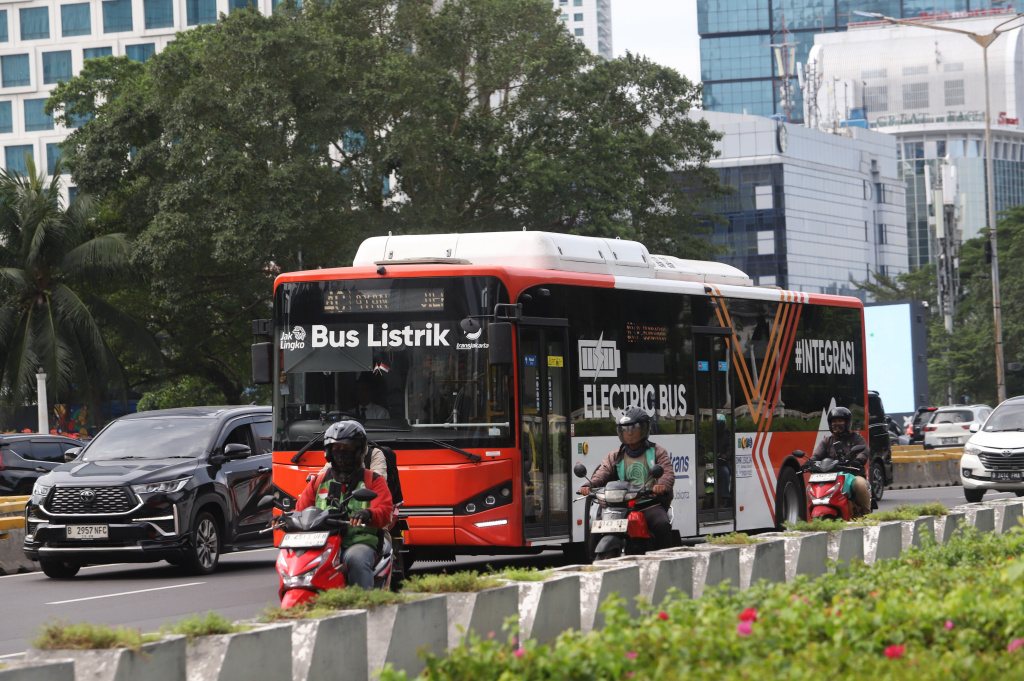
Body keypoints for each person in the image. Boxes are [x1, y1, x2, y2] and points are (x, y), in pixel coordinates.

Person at [295, 420, 393, 589]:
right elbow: (300, 510)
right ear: (329, 452)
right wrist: (284, 519)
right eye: (337, 449)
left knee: (357, 559)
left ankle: (364, 607)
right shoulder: (319, 480)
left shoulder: (373, 480)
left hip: (359, 541)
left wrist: (368, 514)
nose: (341, 454)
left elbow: (384, 512)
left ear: (359, 451)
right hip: (322, 543)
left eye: (347, 449)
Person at [578, 406, 675, 550]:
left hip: (648, 503)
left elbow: (667, 472)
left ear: (644, 429)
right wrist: (589, 485)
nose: (629, 433)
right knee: (595, 532)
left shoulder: (657, 452)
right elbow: (602, 472)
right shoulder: (615, 456)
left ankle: (666, 562)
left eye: (633, 428)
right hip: (619, 506)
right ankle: (595, 566)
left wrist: (662, 485)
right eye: (625, 429)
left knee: (661, 524)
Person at [810, 406, 871, 515]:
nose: (836, 424)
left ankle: (866, 515)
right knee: (809, 488)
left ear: (847, 423)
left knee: (860, 484)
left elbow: (864, 452)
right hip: (831, 477)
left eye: (840, 421)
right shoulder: (826, 442)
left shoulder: (857, 439)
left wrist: (857, 460)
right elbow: (816, 456)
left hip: (852, 475)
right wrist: (809, 463)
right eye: (834, 421)